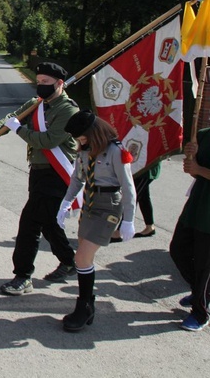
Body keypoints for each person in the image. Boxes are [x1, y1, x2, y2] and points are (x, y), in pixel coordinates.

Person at [0, 62, 79, 295]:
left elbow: (47, 141)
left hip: (57, 174)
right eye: (38, 83)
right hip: (37, 171)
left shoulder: (68, 110)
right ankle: (69, 261)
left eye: (46, 83)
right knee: (48, 223)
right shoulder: (36, 104)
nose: (41, 87)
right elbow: (10, 119)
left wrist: (20, 130)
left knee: (29, 224)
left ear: (60, 84)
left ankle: (23, 276)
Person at [57, 110, 136, 331]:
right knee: (83, 257)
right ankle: (87, 302)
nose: (80, 141)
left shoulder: (115, 151)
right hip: (90, 202)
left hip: (108, 205)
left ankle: (83, 307)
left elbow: (129, 189)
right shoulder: (84, 151)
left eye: (82, 136)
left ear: (94, 132)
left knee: (82, 257)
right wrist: (66, 202)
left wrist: (128, 220)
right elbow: (77, 178)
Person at [169, 127, 210, 332]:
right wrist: (190, 155)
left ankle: (201, 313)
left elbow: (199, 169)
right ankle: (201, 291)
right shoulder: (203, 134)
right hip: (197, 205)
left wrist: (199, 169)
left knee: (205, 266)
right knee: (178, 249)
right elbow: (190, 170)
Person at [133, 161, 161, 237]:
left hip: (146, 168)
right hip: (140, 167)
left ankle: (120, 231)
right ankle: (150, 226)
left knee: (132, 198)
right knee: (143, 197)